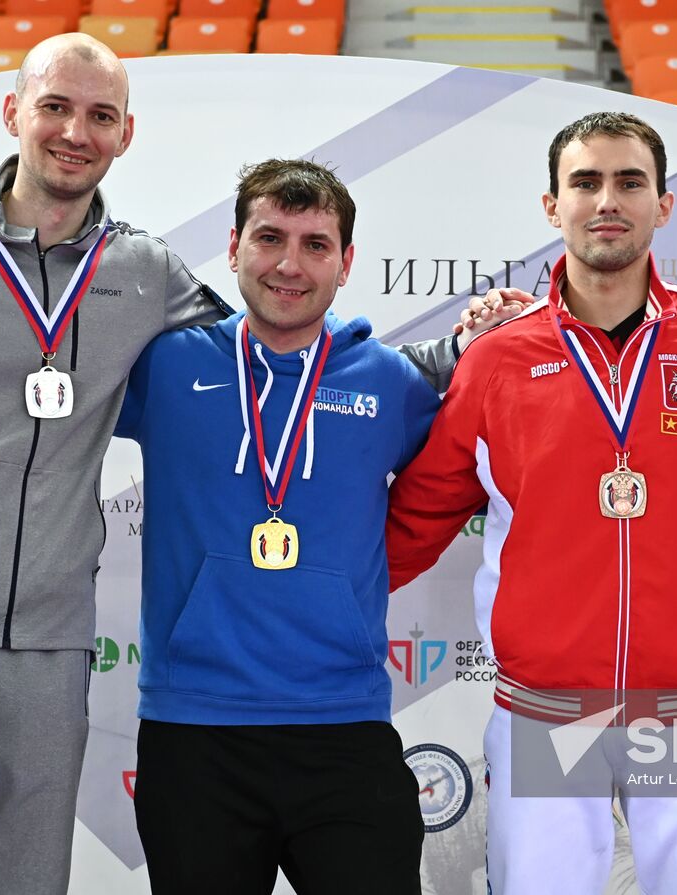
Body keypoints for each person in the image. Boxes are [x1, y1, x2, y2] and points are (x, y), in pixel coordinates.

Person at [0, 34, 469, 894]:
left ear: (124, 134)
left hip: (45, 657)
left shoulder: (140, 271)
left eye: (99, 115)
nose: (76, 131)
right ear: (12, 114)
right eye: (55, 108)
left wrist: (455, 350)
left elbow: (268, 343)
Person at [385, 111, 677, 894]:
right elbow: (420, 515)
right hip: (543, 711)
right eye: (586, 182)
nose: (608, 199)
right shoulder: (498, 359)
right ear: (552, 205)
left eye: (630, 181)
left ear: (663, 204)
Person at [117, 157, 435, 894]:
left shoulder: (389, 381)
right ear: (232, 248)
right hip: (194, 733)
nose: (290, 264)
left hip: (344, 728)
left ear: (346, 262)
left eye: (316, 244)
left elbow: (486, 450)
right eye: (269, 238)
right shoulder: (161, 366)